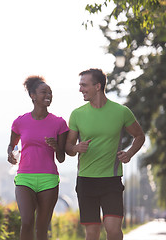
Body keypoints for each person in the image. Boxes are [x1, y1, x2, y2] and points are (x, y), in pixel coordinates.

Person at [65, 68, 145, 240]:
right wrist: (75, 148)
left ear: (98, 86)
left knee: (113, 230)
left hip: (111, 179)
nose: (80, 90)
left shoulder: (121, 112)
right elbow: (68, 147)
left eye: (84, 85)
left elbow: (139, 136)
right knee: (92, 233)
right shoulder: (77, 114)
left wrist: (130, 153)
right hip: (86, 180)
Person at [7, 75, 69, 240]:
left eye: (50, 92)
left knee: (42, 228)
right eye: (43, 92)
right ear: (33, 95)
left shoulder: (59, 123)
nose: (48, 95)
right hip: (24, 177)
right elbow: (11, 145)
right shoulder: (20, 122)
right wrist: (10, 155)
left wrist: (56, 147)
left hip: (48, 179)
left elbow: (62, 157)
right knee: (27, 221)